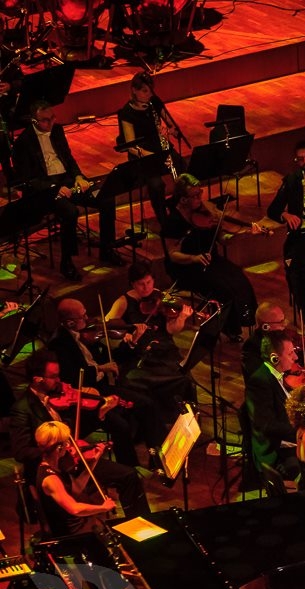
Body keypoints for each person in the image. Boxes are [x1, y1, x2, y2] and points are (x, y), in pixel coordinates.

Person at [10, 351, 151, 521]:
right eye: (53, 377)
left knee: (129, 476)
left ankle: (141, 524)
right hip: (55, 469)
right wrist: (55, 450)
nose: (59, 381)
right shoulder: (22, 409)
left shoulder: (58, 397)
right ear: (37, 379)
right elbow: (21, 452)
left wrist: (101, 412)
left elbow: (76, 430)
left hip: (74, 460)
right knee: (124, 477)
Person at [11, 100, 122, 281]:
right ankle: (67, 262)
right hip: (46, 190)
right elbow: (27, 180)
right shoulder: (23, 143)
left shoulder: (57, 130)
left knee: (106, 198)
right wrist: (55, 188)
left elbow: (69, 159)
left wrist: (78, 176)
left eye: (52, 118)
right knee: (70, 212)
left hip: (67, 180)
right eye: (45, 120)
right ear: (34, 121)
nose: (51, 123)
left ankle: (107, 249)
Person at [49, 298, 166, 466]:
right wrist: (101, 369)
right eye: (83, 316)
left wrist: (133, 341)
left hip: (104, 385)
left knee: (147, 399)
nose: (88, 319)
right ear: (70, 323)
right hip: (88, 394)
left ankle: (157, 454)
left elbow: (113, 358)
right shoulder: (59, 344)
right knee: (129, 419)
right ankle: (132, 468)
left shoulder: (86, 336)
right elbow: (73, 377)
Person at [162, 173, 257, 341]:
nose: (200, 198)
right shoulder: (173, 222)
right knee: (223, 289)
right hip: (187, 268)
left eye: (200, 193)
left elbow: (223, 239)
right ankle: (229, 328)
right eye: (195, 196)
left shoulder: (206, 212)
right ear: (183, 200)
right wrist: (194, 258)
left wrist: (243, 233)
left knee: (239, 279)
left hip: (211, 260)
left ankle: (248, 319)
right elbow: (173, 255)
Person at [105, 261, 195, 425]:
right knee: (162, 380)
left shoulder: (160, 297)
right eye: (141, 284)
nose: (146, 288)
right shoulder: (123, 302)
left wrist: (181, 317)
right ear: (133, 284)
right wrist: (125, 334)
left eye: (149, 282)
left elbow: (171, 330)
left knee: (183, 376)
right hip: (140, 354)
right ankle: (161, 418)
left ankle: (183, 417)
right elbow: (108, 326)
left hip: (164, 348)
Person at [117, 71, 182, 226]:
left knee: (184, 172)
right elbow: (131, 146)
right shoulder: (126, 113)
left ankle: (175, 206)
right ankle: (163, 220)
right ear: (134, 90)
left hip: (160, 149)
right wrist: (152, 155)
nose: (149, 94)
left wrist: (171, 131)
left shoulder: (154, 103)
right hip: (142, 155)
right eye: (145, 91)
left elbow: (172, 125)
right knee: (157, 185)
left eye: (150, 90)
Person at [34, 421, 118, 536]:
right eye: (66, 442)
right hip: (72, 532)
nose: (69, 445)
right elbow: (75, 509)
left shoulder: (55, 466)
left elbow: (76, 489)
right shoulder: (51, 479)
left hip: (78, 523)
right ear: (58, 448)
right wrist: (103, 508)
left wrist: (94, 460)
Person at [245, 330, 301, 479]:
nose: (295, 357)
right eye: (290, 353)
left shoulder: (278, 375)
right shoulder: (260, 381)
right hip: (276, 451)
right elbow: (266, 425)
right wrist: (302, 431)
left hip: (288, 438)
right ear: (274, 358)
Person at [242, 302, 289, 380]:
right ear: (266, 326)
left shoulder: (277, 337)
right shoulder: (252, 346)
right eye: (280, 322)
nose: (284, 324)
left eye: (284, 320)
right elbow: (260, 377)